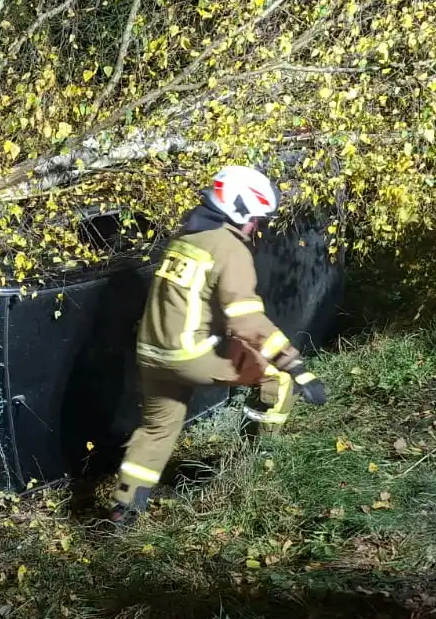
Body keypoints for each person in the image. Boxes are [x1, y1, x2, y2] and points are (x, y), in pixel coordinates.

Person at [111, 166, 326, 527]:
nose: (257, 227)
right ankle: (257, 459)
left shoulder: (187, 237)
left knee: (158, 430)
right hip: (192, 356)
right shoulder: (229, 249)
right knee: (276, 378)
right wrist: (296, 367)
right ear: (239, 209)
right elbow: (248, 322)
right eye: (256, 218)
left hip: (151, 353)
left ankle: (124, 508)